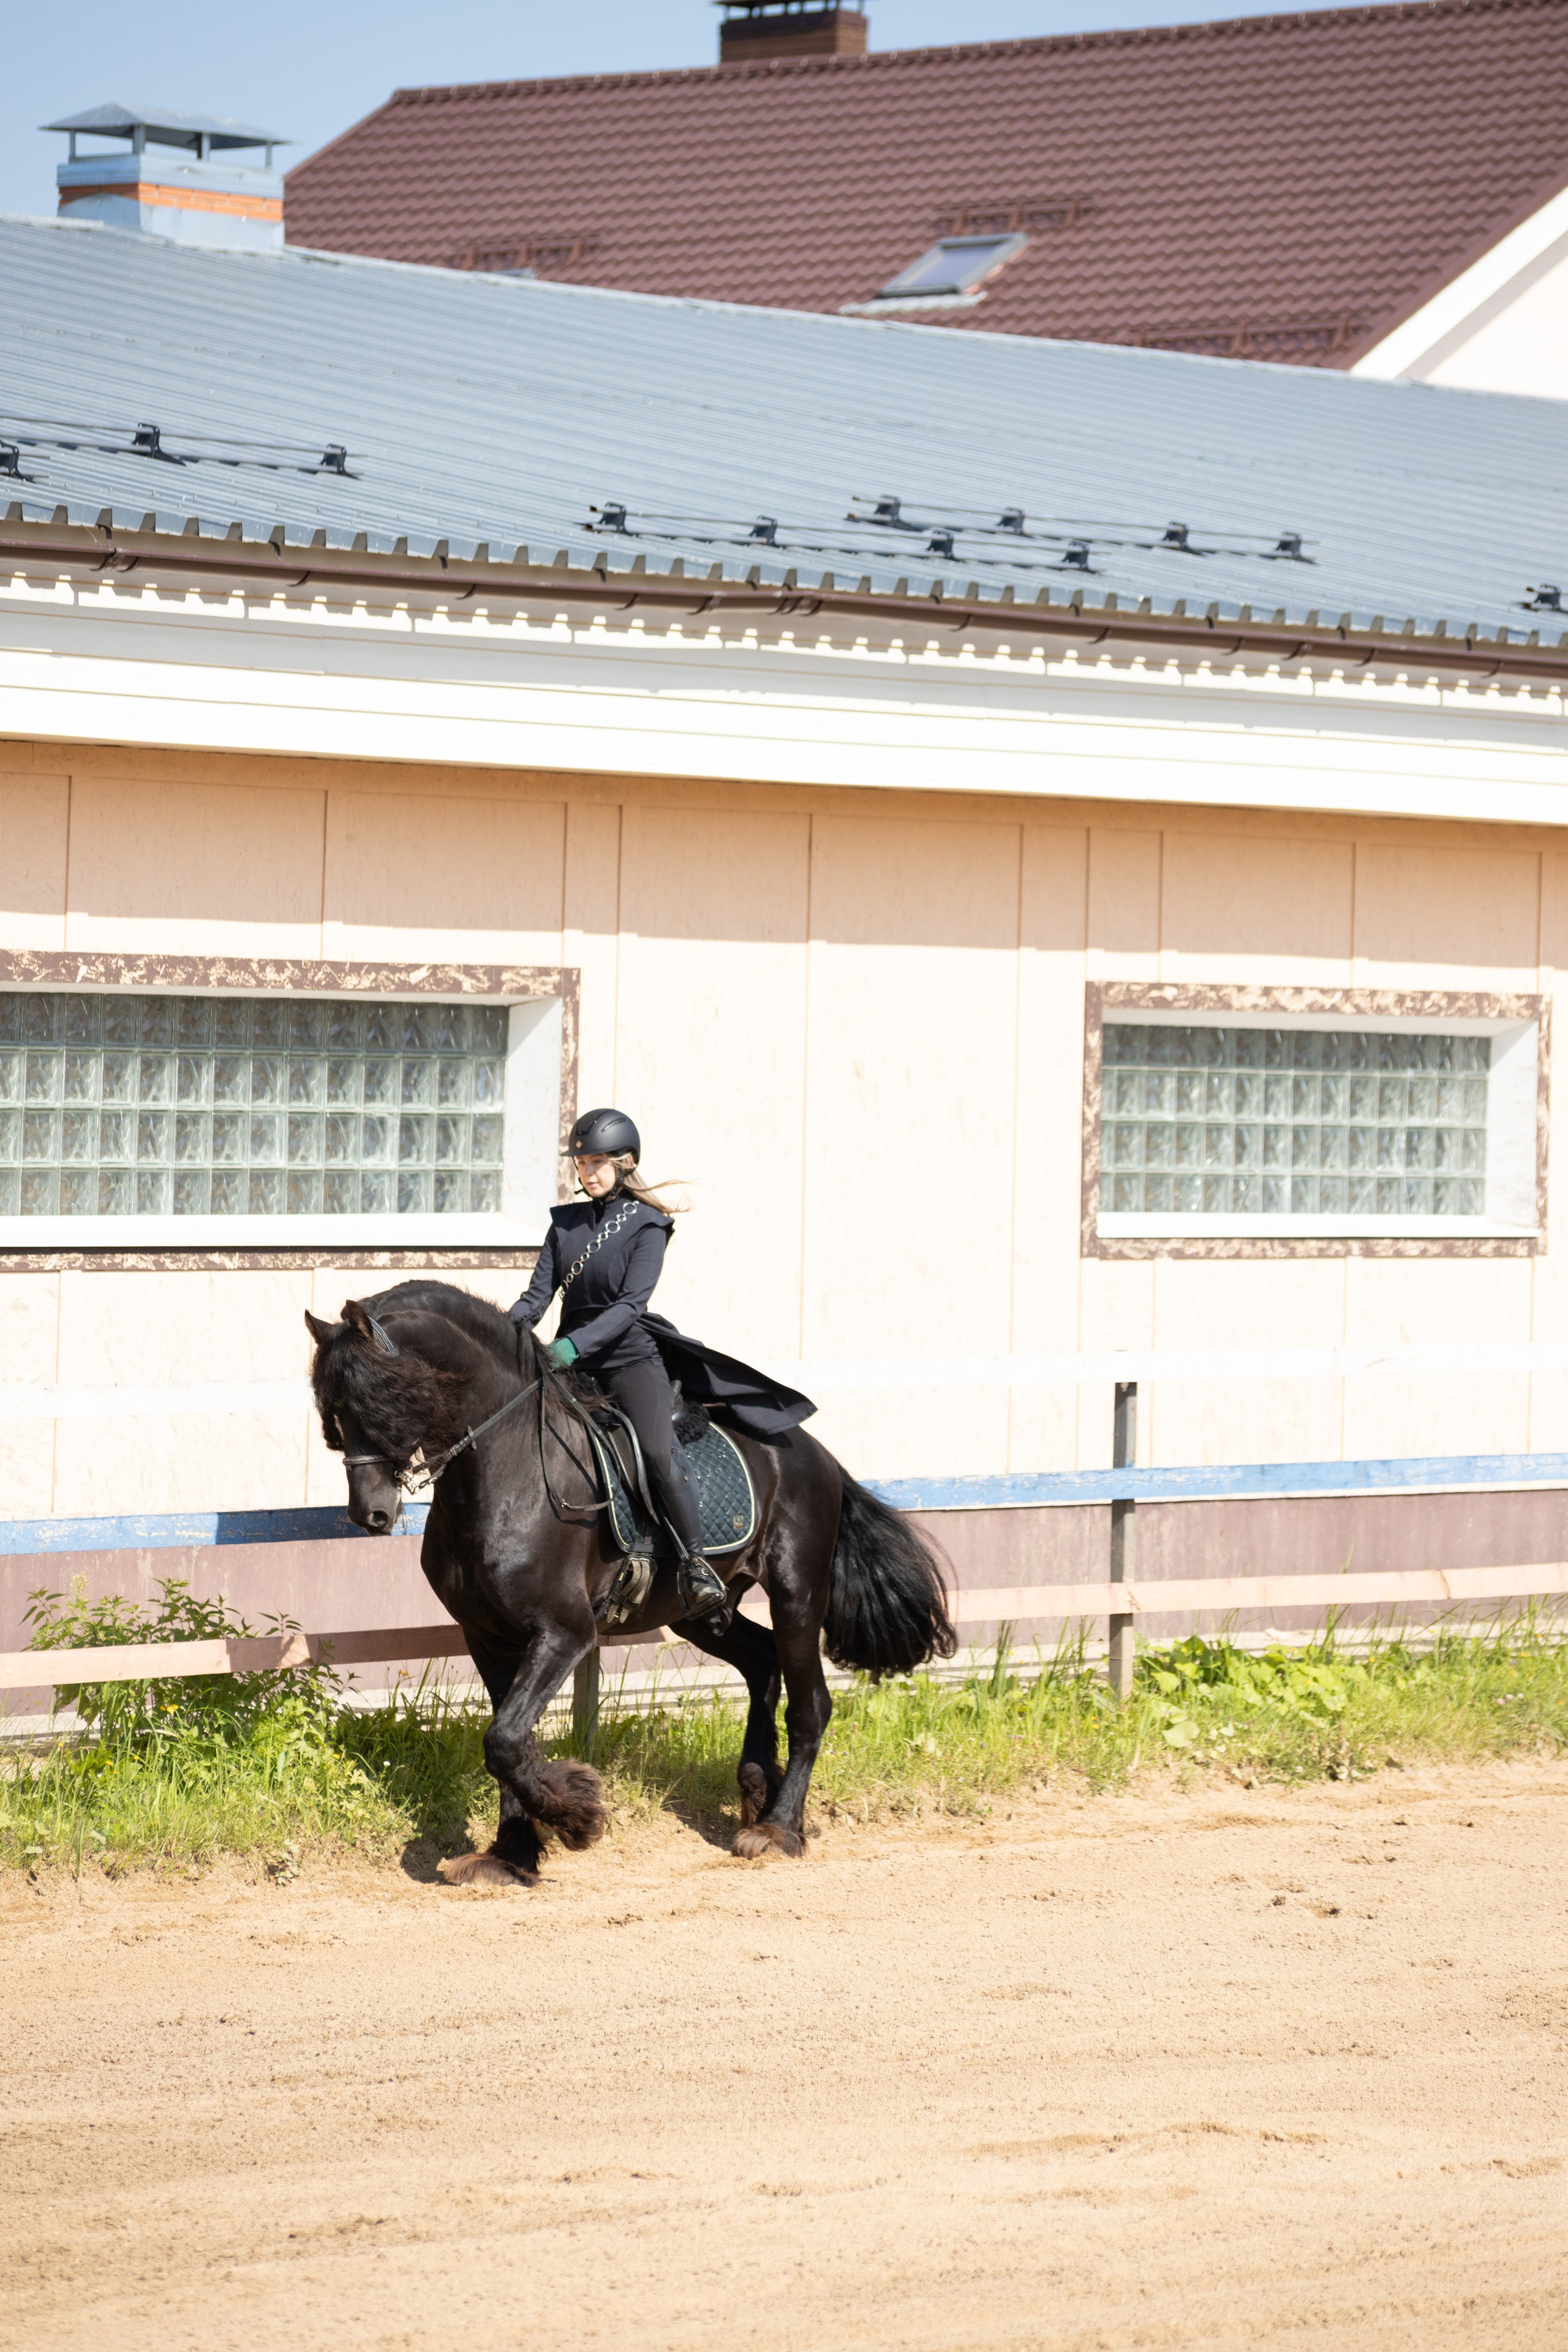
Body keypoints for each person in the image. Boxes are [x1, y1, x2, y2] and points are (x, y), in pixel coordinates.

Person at [509, 1108, 815, 1622]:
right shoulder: (564, 1224)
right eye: (581, 1163)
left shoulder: (648, 1224)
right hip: (569, 1362)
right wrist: (505, 1334)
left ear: (626, 1163)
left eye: (597, 1162)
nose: (586, 1171)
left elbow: (631, 1305)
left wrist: (574, 1347)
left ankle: (696, 1564)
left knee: (656, 1449)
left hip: (628, 1359)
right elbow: (536, 1297)